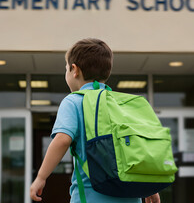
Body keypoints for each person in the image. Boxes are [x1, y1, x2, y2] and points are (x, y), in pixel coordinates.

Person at [30, 38, 160, 203]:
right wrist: (149, 186)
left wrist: (41, 177)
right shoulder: (121, 104)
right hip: (130, 196)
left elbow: (62, 140)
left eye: (66, 69)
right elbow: (138, 147)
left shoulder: (74, 101)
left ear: (74, 70)